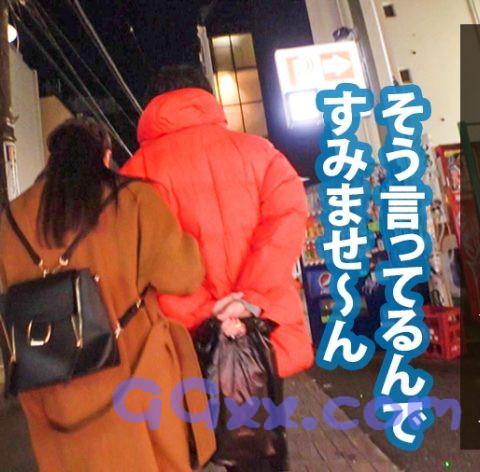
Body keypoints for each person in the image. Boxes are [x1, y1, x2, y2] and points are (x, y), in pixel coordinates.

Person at [0, 117, 215, 471]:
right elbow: (183, 276)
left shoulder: (12, 219)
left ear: (52, 160)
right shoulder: (132, 199)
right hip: (134, 374)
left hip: (51, 385)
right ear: (104, 157)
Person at [122, 65, 313, 386]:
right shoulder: (263, 154)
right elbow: (286, 224)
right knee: (266, 414)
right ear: (205, 96)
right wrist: (246, 300)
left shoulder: (133, 177)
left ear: (153, 105)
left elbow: (142, 260)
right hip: (262, 332)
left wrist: (207, 313)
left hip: (183, 344)